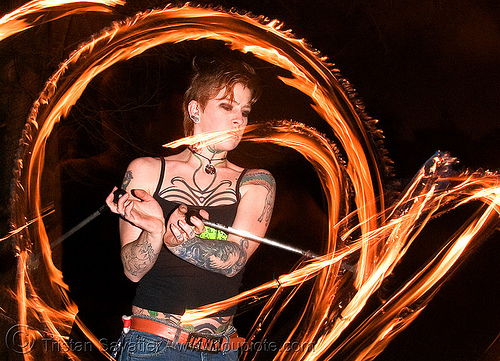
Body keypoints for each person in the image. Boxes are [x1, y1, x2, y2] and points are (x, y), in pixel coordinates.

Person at [105, 56, 276, 360]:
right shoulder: (145, 171)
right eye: (227, 106)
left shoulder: (257, 182)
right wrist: (155, 233)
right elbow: (132, 270)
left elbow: (235, 259)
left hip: (221, 351)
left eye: (244, 111)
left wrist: (181, 243)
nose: (239, 120)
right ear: (195, 109)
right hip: (153, 346)